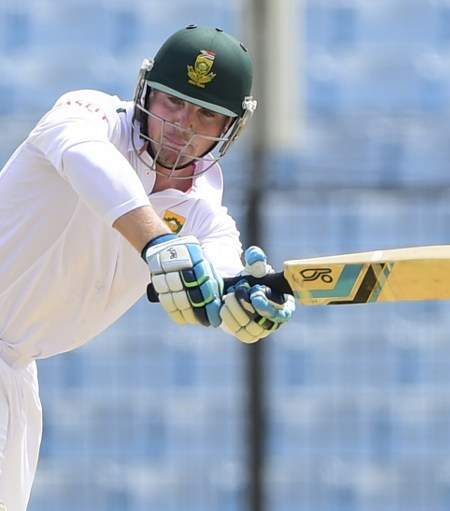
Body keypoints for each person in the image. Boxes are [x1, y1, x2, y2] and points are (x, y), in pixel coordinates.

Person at [0, 25, 294, 510]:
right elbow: (88, 161)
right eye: (172, 102)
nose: (182, 123)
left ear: (229, 128)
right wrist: (156, 240)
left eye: (205, 113)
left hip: (14, 374)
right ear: (146, 92)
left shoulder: (204, 212)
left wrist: (246, 300)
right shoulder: (85, 115)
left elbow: (221, 272)